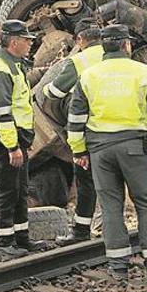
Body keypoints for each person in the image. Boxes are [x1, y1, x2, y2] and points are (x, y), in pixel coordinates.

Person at [67, 25, 147, 283]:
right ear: (126, 45)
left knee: (111, 208)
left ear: (104, 46)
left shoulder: (88, 76)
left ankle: (118, 268)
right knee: (145, 204)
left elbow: (75, 120)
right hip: (135, 148)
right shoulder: (144, 73)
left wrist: (79, 150)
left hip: (100, 151)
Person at [0, 20, 46, 260]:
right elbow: (2, 114)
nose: (31, 44)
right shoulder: (0, 71)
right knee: (7, 190)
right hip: (8, 141)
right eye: (27, 40)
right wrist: (12, 147)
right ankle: (5, 243)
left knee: (19, 190)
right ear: (14, 42)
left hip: (17, 140)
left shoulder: (13, 66)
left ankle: (21, 239)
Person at [42, 19, 103, 246]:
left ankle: (81, 232)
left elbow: (55, 92)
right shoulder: (118, 58)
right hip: (117, 132)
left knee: (86, 182)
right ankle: (112, 227)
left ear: (80, 40)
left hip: (87, 132)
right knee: (114, 180)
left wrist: (45, 86)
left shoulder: (79, 61)